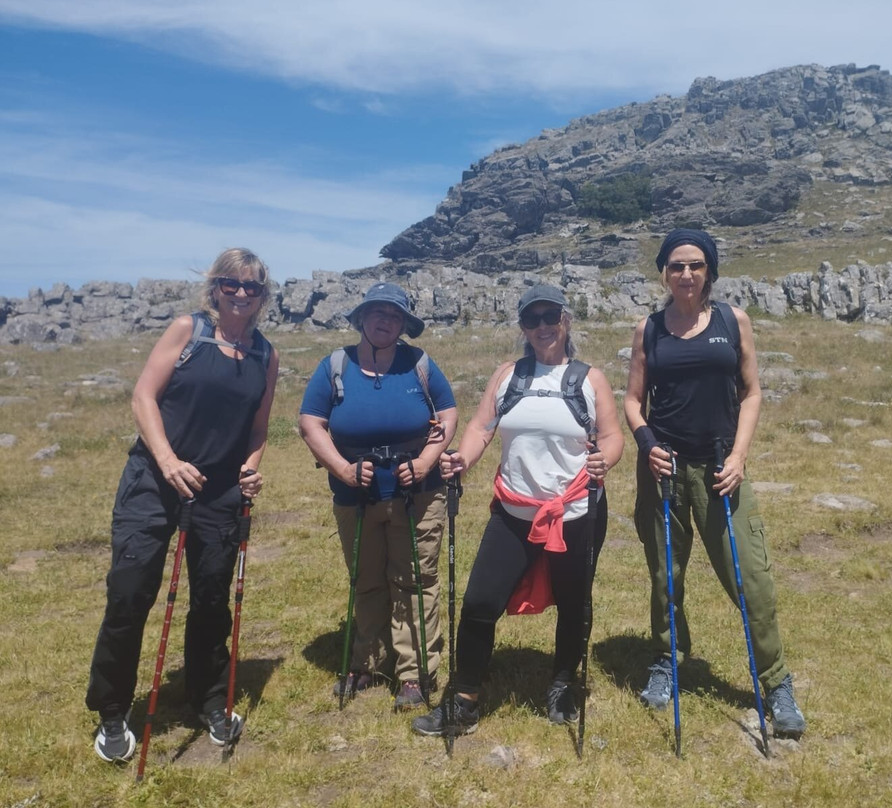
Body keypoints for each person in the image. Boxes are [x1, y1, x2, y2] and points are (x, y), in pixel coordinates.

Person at [86, 248, 279, 763]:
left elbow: (257, 426)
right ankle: (111, 711)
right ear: (214, 287)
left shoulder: (265, 353)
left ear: (264, 295)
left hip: (220, 489)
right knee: (130, 592)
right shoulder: (187, 331)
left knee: (213, 597)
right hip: (154, 479)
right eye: (231, 284)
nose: (241, 294)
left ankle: (211, 698)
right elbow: (143, 397)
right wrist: (169, 461)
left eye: (252, 287)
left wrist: (251, 467)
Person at [411, 284, 624, 737]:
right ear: (523, 327)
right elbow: (480, 426)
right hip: (514, 511)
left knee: (574, 603)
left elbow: (611, 435)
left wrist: (607, 458)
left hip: (576, 513)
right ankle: (464, 697)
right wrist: (462, 457)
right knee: (479, 602)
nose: (543, 326)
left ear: (566, 320)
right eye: (532, 319)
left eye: (551, 316)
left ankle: (563, 682)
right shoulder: (508, 375)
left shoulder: (589, 379)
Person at [623, 229, 806, 738]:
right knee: (666, 576)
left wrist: (741, 455)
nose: (686, 274)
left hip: (722, 470)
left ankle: (775, 681)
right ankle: (668, 661)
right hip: (664, 469)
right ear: (664, 272)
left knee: (751, 579)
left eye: (696, 265)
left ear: (710, 271)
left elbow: (751, 393)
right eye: (677, 265)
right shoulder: (650, 330)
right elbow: (633, 401)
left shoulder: (732, 321)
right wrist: (647, 444)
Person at [298, 282, 457, 712]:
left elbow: (448, 412)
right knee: (365, 577)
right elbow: (311, 423)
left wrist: (426, 461)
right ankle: (368, 659)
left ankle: (414, 670)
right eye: (377, 313)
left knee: (415, 579)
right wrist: (344, 470)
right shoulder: (334, 366)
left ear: (404, 325)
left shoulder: (419, 364)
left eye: (395, 316)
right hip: (356, 495)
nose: (386, 322)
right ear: (362, 319)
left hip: (417, 494)